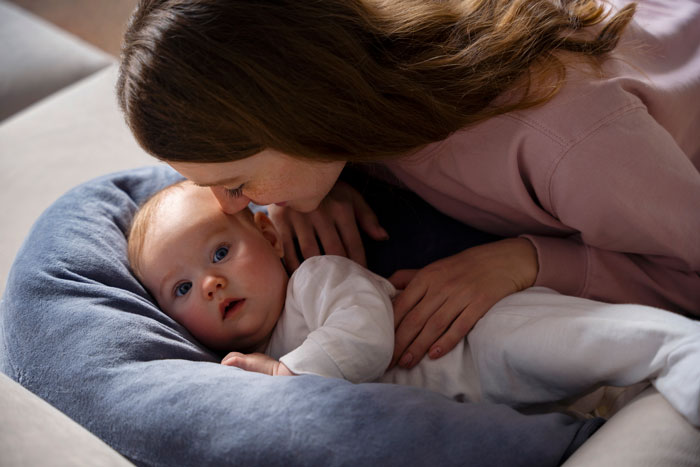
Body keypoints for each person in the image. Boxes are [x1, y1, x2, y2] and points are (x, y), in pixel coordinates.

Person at [117, 0, 700, 371]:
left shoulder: (568, 142)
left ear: (297, 113)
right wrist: (330, 176)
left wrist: (528, 262)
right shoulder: (354, 93)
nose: (231, 207)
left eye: (238, 184)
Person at [126, 180, 700, 427]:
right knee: (590, 393)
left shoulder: (315, 282)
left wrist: (290, 372)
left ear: (271, 238)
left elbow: (367, 333)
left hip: (477, 340)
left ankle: (680, 349)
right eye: (182, 290)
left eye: (220, 253)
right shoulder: (239, 371)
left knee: (591, 340)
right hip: (490, 405)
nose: (210, 285)